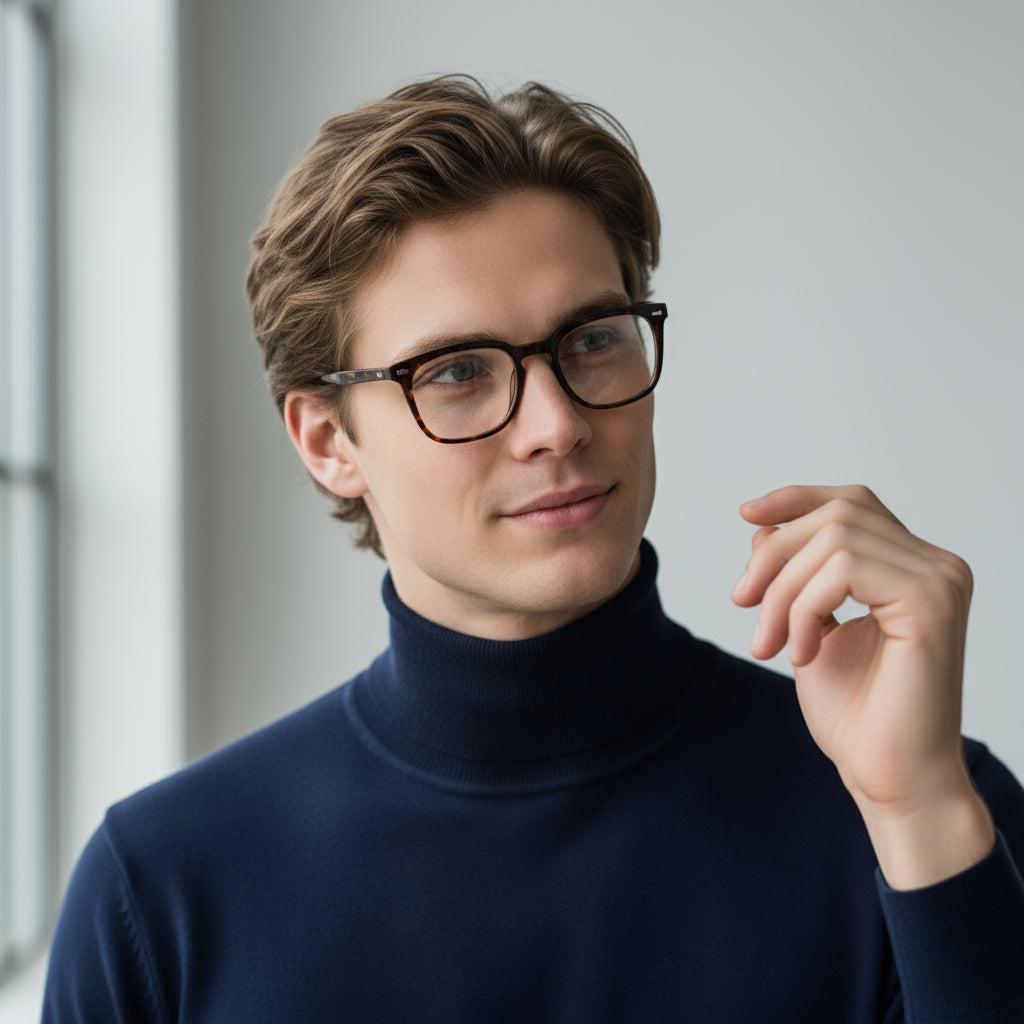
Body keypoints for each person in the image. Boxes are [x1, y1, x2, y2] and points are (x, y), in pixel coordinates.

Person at [42, 76, 1024, 1022]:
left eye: (593, 338)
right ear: (329, 443)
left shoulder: (930, 810)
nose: (555, 423)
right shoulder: (161, 887)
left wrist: (918, 812)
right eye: (458, 370)